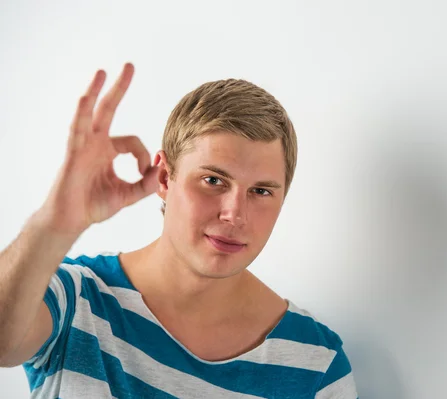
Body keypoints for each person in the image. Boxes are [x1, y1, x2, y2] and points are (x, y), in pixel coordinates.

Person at [0, 63, 358, 398]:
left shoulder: (316, 364)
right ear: (165, 178)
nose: (234, 213)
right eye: (213, 180)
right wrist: (54, 222)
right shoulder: (76, 297)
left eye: (261, 191)